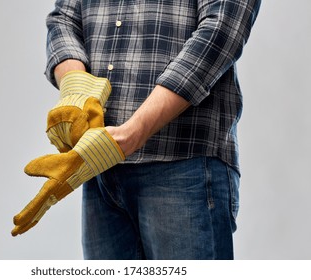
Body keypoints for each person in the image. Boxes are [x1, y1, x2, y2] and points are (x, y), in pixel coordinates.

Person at [25, 0, 261, 260]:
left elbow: (222, 31)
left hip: (183, 166)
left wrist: (133, 133)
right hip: (99, 168)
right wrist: (78, 92)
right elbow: (64, 18)